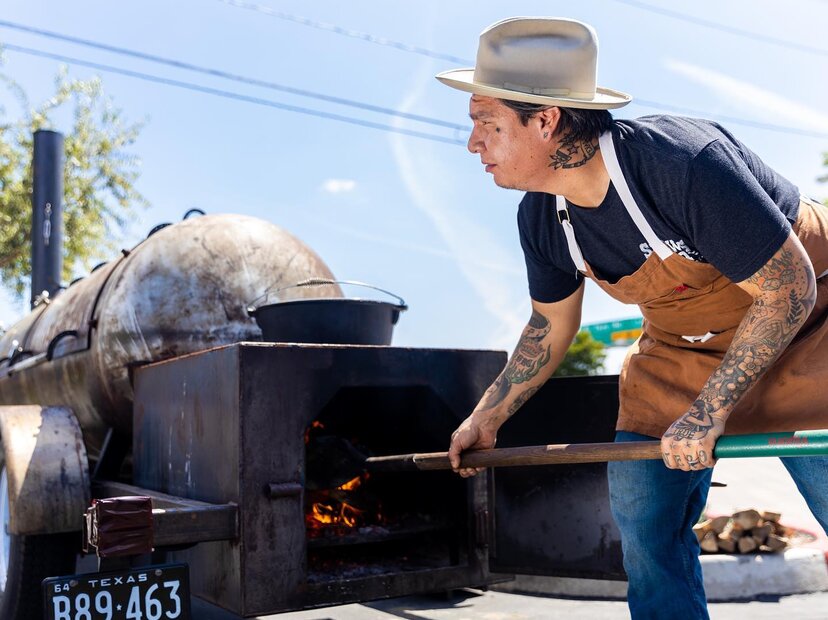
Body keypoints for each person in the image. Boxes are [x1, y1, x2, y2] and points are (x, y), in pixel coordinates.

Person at [438, 16, 828, 620]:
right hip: (682, 349)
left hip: (809, 327)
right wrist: (487, 416)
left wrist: (708, 413)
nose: (473, 143)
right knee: (644, 516)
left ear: (546, 120)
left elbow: (787, 290)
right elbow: (549, 326)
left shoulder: (683, 163)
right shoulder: (542, 218)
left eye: (486, 123)